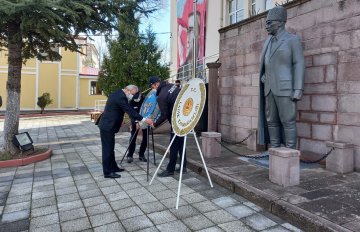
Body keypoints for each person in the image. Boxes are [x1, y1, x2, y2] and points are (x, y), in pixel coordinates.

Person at [257, 6, 305, 149]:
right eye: (266, 23)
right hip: (269, 88)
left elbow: (299, 64)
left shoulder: (292, 40)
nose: (267, 26)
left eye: (269, 23)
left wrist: (298, 89)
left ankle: (290, 152)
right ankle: (275, 149)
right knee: (271, 120)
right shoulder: (268, 42)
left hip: (286, 88)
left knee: (288, 121)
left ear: (280, 22)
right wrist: (264, 75)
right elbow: (267, 64)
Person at [98, 85, 153, 178]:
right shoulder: (121, 97)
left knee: (111, 148)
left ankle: (113, 167)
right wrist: (145, 119)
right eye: (133, 94)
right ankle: (107, 172)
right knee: (107, 149)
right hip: (107, 126)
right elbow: (130, 111)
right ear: (128, 90)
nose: (133, 96)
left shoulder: (118, 93)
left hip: (108, 125)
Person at [149, 76, 187, 177]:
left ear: (155, 84)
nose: (153, 88)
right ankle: (183, 166)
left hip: (176, 122)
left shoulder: (161, 96)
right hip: (185, 118)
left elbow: (164, 114)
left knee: (173, 145)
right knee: (181, 143)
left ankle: (170, 169)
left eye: (152, 86)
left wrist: (154, 124)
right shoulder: (172, 86)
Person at [127, 91, 148, 163]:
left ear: (140, 94)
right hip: (135, 121)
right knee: (133, 137)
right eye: (135, 98)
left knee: (145, 138)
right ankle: (130, 155)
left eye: (137, 97)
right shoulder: (131, 102)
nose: (136, 99)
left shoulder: (145, 100)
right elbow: (131, 113)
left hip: (145, 120)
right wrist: (136, 122)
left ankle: (141, 155)